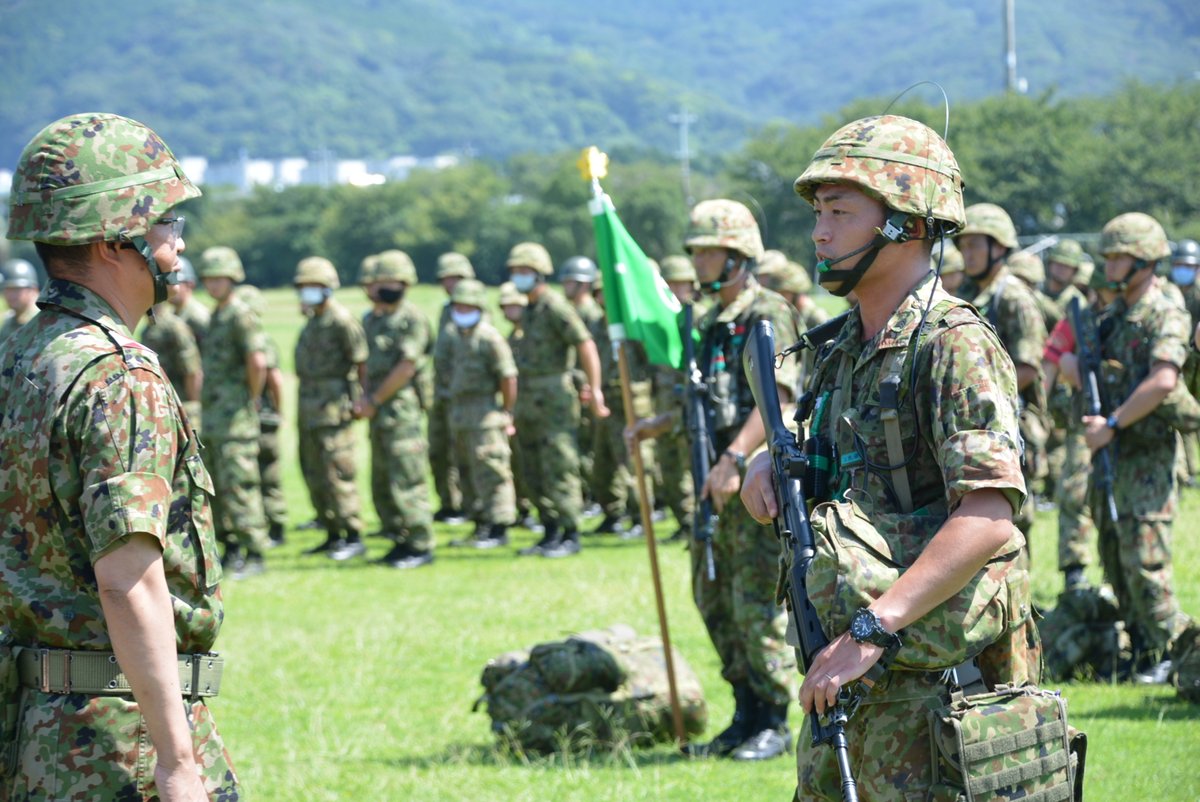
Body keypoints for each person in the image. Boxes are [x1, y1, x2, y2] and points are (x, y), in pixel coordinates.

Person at [740, 114, 1039, 799]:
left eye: (841, 213)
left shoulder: (951, 344)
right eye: (819, 211)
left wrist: (873, 628)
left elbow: (990, 513)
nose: (819, 231)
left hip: (934, 685)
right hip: (848, 677)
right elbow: (837, 458)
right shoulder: (840, 347)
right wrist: (774, 460)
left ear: (907, 223)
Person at [0, 111, 238, 800]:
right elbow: (127, 579)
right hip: (112, 740)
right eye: (163, 222)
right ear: (113, 239)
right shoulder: (117, 375)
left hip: (28, 727)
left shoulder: (20, 355)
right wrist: (176, 759)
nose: (176, 241)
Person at [633, 199, 802, 761]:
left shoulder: (768, 313)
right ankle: (745, 711)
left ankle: (774, 717)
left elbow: (775, 396)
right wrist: (653, 426)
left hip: (752, 484)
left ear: (737, 255)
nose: (698, 260)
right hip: (710, 487)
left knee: (754, 604)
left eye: (708, 250)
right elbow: (702, 401)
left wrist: (733, 459)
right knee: (713, 599)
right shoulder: (704, 323)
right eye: (697, 250)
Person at [1063, 213, 1196, 684]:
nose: (1110, 264)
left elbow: (1163, 381)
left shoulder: (1166, 310)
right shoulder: (1115, 313)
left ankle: (1179, 652)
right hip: (1113, 456)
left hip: (1146, 456)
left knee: (1146, 562)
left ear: (1143, 259)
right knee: (1115, 555)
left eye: (1118, 256)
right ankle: (1144, 650)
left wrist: (1113, 424)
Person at [507, 241, 609, 558]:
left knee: (559, 464)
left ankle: (570, 532)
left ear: (539, 274)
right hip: (529, 397)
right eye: (516, 272)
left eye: (525, 271)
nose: (519, 277)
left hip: (554, 398)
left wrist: (594, 388)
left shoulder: (554, 306)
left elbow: (585, 345)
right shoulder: (531, 310)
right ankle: (549, 529)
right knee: (532, 465)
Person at [956, 203, 1049, 536]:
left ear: (999, 248)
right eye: (963, 245)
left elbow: (1028, 367)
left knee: (1010, 524)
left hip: (1012, 422)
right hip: (974, 423)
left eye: (975, 245)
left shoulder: (1014, 298)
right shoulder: (965, 294)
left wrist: (979, 397)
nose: (967, 253)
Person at [355, 249, 436, 569]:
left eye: (392, 281)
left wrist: (373, 401)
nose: (383, 287)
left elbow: (407, 366)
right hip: (379, 415)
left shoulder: (411, 319)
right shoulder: (372, 320)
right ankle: (400, 539)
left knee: (408, 479)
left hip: (402, 414)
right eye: (380, 281)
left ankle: (420, 544)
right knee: (384, 480)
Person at [197, 245, 271, 578]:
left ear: (233, 279)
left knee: (241, 486)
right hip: (215, 417)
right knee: (220, 489)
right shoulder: (218, 313)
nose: (213, 285)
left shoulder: (240, 314)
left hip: (235, 417)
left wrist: (252, 398)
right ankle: (231, 549)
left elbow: (258, 361)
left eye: (219, 279)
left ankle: (254, 552)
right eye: (209, 279)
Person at [294, 256, 369, 559]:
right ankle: (331, 531)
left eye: (314, 286)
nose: (308, 291)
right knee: (314, 471)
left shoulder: (341, 320)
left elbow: (361, 361)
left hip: (333, 408)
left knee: (338, 471)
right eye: (304, 286)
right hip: (309, 407)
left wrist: (361, 399)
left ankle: (352, 535)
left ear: (328, 288)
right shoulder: (313, 321)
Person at [437, 279, 519, 548]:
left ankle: (499, 526)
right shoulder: (455, 336)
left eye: (467, 305)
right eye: (458, 305)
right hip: (460, 414)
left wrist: (507, 410)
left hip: (485, 414)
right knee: (466, 472)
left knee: (491, 470)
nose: (462, 310)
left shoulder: (489, 337)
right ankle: (480, 522)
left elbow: (508, 377)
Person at [430, 251, 475, 524]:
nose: (451, 284)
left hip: (466, 395)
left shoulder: (475, 313)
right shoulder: (447, 310)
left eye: (456, 278)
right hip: (443, 392)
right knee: (440, 451)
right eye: (446, 279)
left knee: (465, 454)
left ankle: (468, 505)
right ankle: (449, 502)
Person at [138, 257, 203, 423]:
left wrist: (194, 406)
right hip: (163, 404)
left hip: (181, 404)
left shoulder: (175, 325)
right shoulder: (150, 327)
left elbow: (192, 370)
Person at [0, 258, 40, 342]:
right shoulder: (9, 321)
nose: (10, 295)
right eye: (7, 289)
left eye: (16, 289)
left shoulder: (41, 320)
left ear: (33, 290)